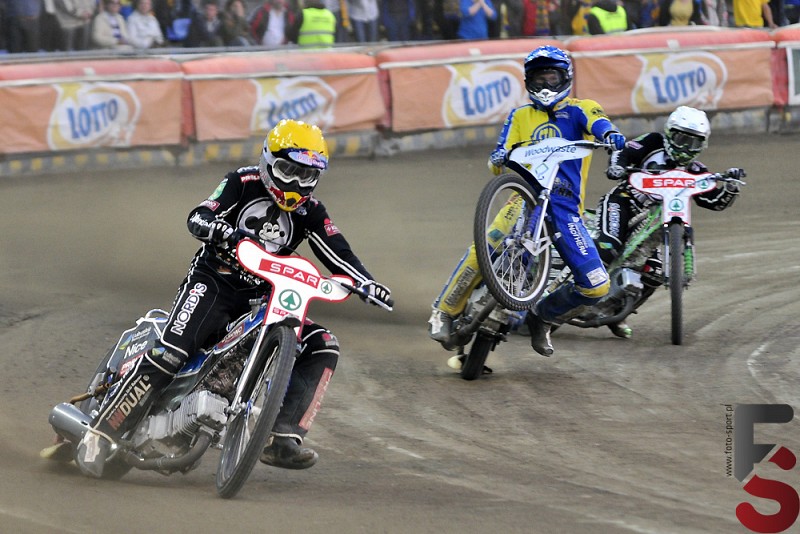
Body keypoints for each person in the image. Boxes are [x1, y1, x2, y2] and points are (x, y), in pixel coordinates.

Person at [74, 119, 393, 478]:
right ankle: (100, 433)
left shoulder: (312, 212)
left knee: (324, 344)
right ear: (268, 161)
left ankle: (282, 438)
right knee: (172, 351)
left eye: (307, 175)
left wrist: (367, 283)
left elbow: (339, 253)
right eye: (288, 170)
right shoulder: (241, 182)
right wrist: (219, 229)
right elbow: (199, 216)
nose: (295, 183)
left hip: (265, 300)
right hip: (213, 283)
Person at [427, 45, 626, 357]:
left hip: (565, 209)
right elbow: (499, 160)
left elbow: (600, 123)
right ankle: (444, 311)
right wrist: (497, 157)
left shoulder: (581, 108)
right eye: (539, 78)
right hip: (523, 198)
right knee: (485, 246)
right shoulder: (519, 115)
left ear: (565, 78)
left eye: (552, 77)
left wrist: (611, 135)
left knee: (597, 285)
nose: (545, 85)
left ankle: (543, 317)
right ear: (528, 81)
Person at [595, 106, 744, 338]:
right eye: (682, 139)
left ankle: (618, 313)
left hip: (656, 221)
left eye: (693, 143)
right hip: (624, 202)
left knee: (654, 273)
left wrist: (731, 187)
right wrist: (617, 166)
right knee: (608, 247)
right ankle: (564, 297)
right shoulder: (652, 142)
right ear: (669, 133)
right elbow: (623, 151)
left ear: (703, 145)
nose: (686, 148)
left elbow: (713, 201)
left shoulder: (696, 171)